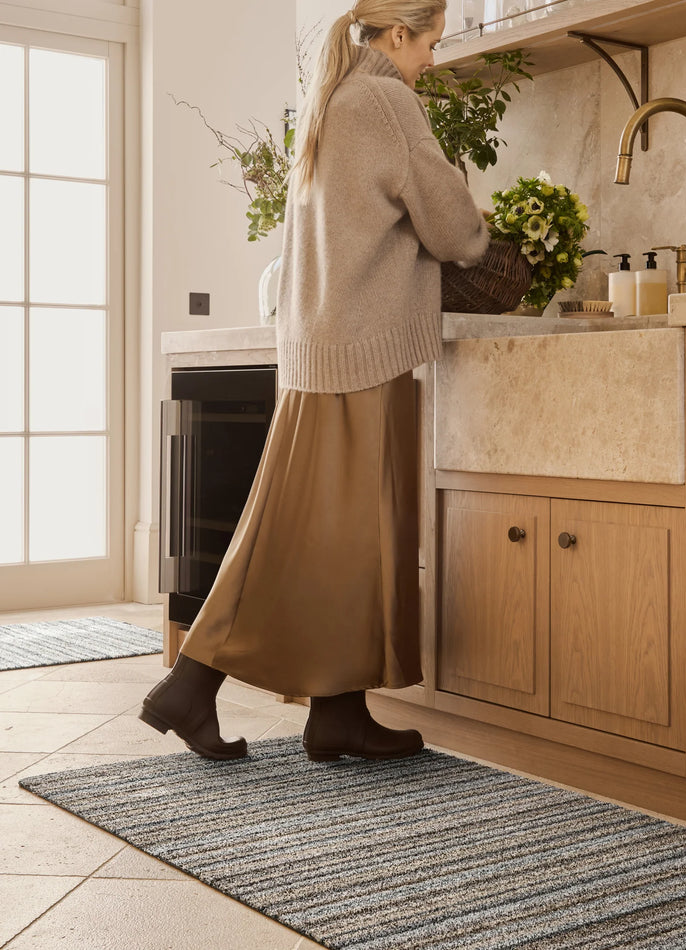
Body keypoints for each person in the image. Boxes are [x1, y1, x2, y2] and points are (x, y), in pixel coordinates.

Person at [140, 0, 488, 762]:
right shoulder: (387, 99)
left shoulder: (331, 97)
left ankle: (335, 711)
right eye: (430, 43)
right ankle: (193, 686)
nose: (432, 60)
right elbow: (456, 228)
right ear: (399, 35)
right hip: (365, 353)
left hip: (318, 352)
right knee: (331, 537)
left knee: (335, 541)